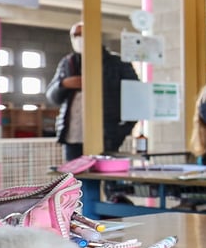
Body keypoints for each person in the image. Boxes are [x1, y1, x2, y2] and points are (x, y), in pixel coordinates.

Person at [45, 21, 139, 160]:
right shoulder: (67, 63)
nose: (78, 39)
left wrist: (120, 131)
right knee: (74, 179)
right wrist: (63, 84)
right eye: (74, 35)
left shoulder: (116, 63)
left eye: (82, 34)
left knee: (100, 178)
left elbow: (136, 98)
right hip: (72, 137)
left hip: (105, 136)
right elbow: (52, 97)